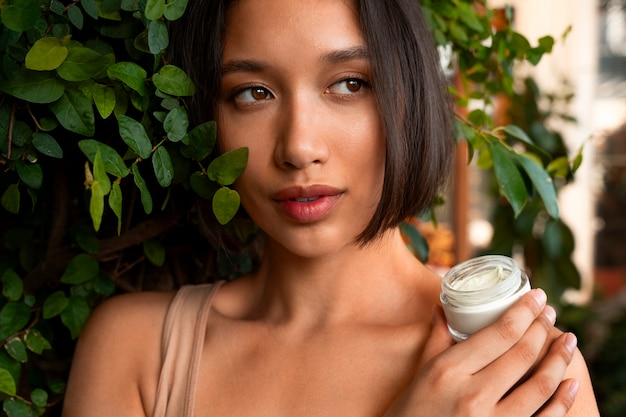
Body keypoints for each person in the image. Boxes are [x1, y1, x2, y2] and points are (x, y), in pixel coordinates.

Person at [62, 0, 600, 416]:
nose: (298, 146)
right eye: (252, 93)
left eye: (348, 84)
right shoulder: (135, 351)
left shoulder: (517, 367)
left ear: (408, 96)